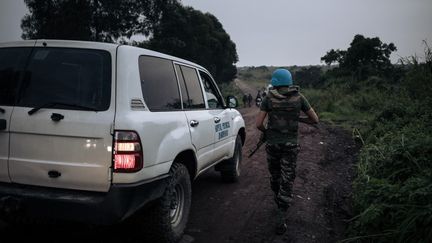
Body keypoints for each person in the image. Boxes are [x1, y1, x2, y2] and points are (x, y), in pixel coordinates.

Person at [255, 68, 319, 235]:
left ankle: (278, 201)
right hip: (290, 146)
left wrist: (267, 132)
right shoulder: (300, 97)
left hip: (273, 145)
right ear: (289, 81)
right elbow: (315, 120)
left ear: (275, 82)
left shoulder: (268, 98)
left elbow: (258, 124)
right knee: (288, 177)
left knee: (275, 175)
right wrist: (298, 119)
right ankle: (281, 214)